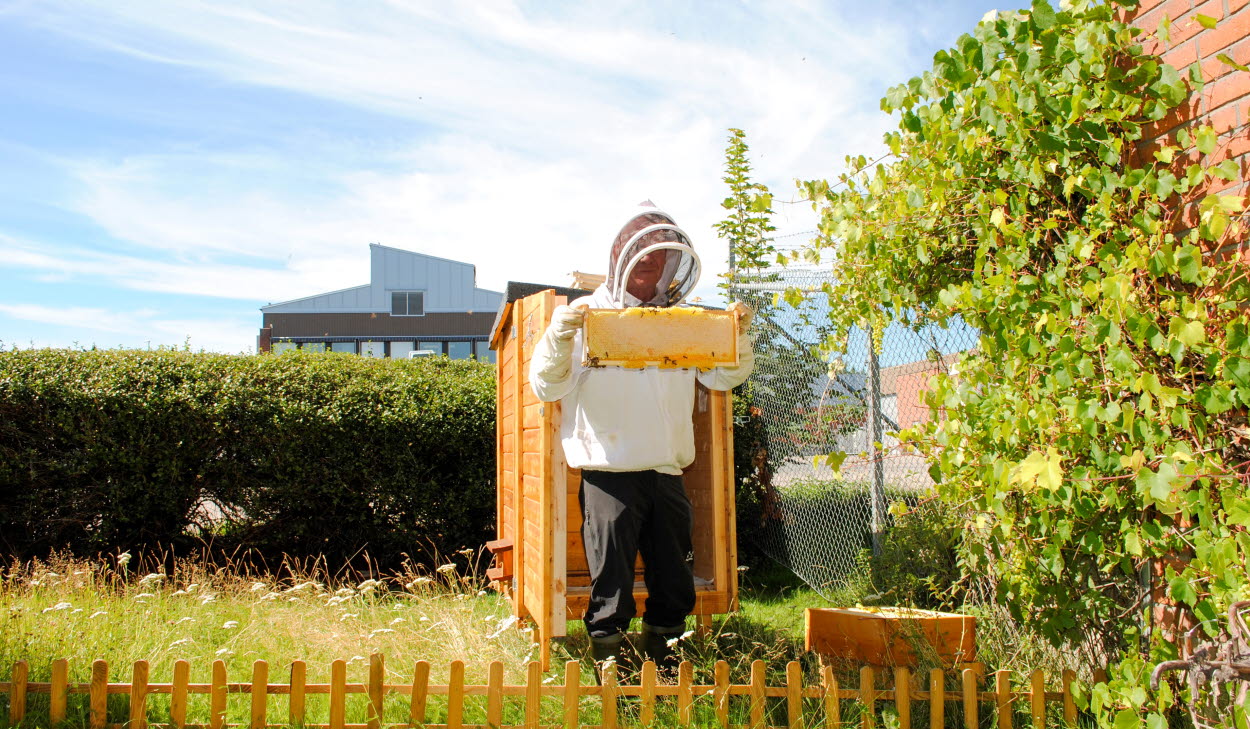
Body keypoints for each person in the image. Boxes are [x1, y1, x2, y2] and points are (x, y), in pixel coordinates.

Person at [528, 201, 755, 672]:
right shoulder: (588, 313)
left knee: (674, 581)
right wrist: (558, 335)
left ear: (672, 266)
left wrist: (739, 336)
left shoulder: (684, 322)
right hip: (609, 473)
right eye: (642, 259)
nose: (649, 268)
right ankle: (611, 675)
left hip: (667, 471)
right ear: (620, 260)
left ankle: (665, 668)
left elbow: (723, 378)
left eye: (659, 261)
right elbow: (547, 386)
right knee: (610, 585)